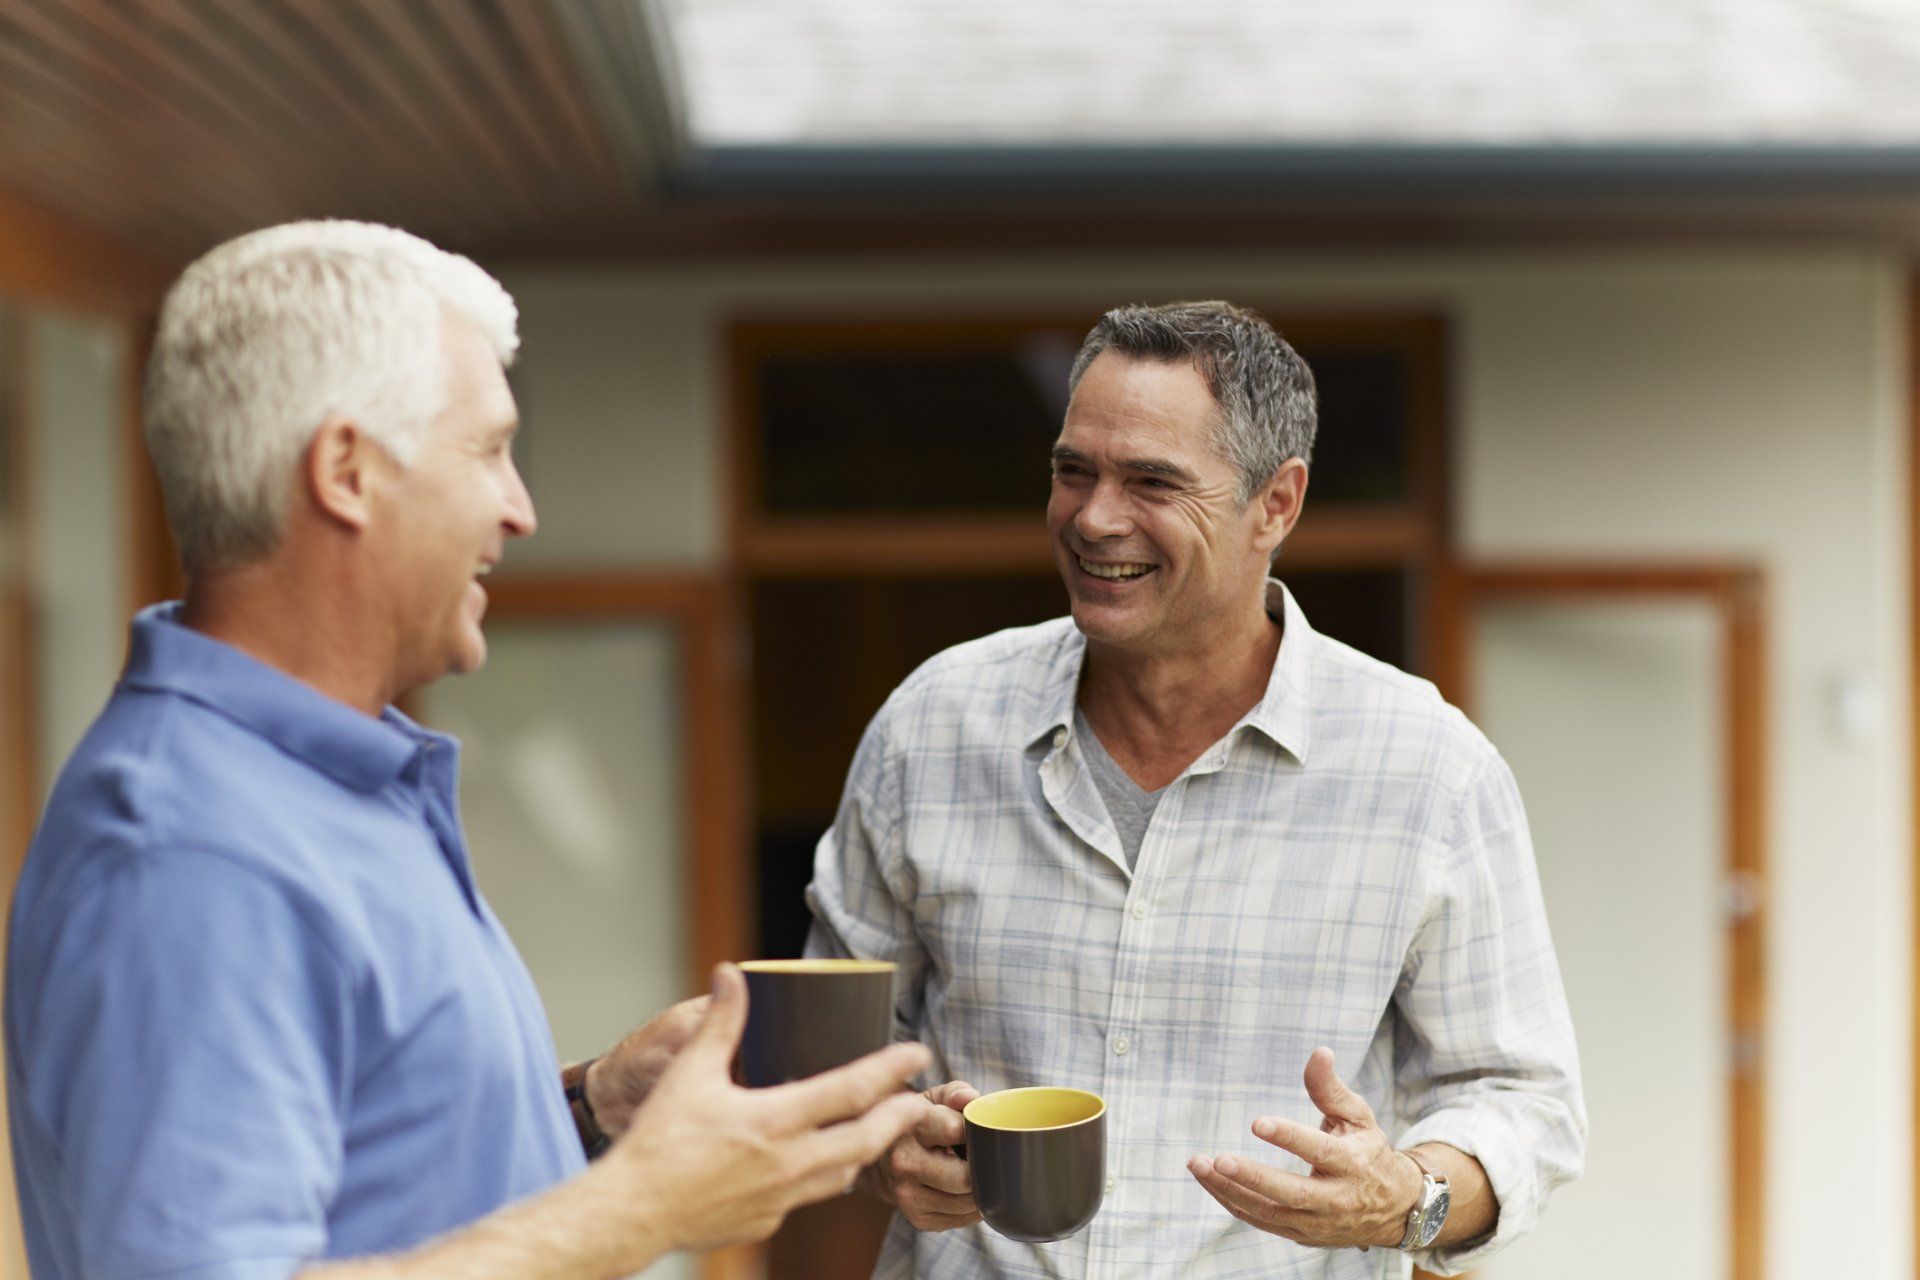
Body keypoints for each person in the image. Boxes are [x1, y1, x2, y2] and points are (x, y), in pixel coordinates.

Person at [5, 220, 931, 1280]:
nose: (520, 509)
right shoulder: (190, 851)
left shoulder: (325, 779)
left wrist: (588, 1102)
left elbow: (363, 1159)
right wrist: (642, 1207)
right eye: (489, 449)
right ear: (347, 471)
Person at [805, 301, 1586, 1278]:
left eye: (1152, 482)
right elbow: (836, 1040)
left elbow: (1524, 1099)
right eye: (1072, 469)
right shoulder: (930, 726)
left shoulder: (1430, 769)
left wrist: (1411, 1195)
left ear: (1278, 503)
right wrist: (884, 1138)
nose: (1093, 516)